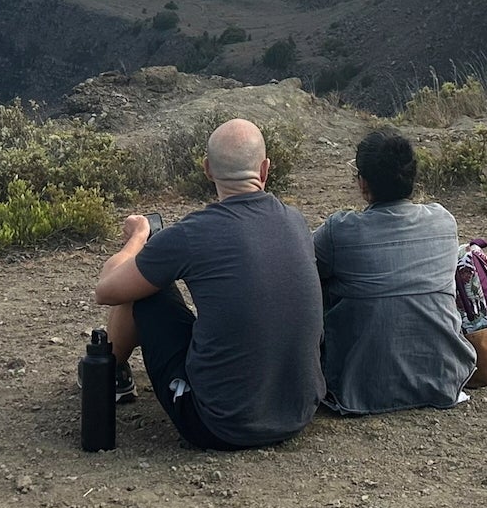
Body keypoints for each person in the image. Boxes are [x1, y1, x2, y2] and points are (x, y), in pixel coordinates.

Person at [94, 119, 323, 449]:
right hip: (298, 413)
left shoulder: (193, 233)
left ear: (207, 170)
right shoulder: (296, 221)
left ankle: (108, 375)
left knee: (144, 291)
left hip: (218, 425)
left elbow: (108, 289)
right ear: (265, 169)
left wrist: (138, 238)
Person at [313, 131, 474, 415]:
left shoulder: (340, 230)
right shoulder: (443, 221)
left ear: (363, 184)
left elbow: (299, 265)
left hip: (357, 389)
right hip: (444, 379)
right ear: (412, 177)